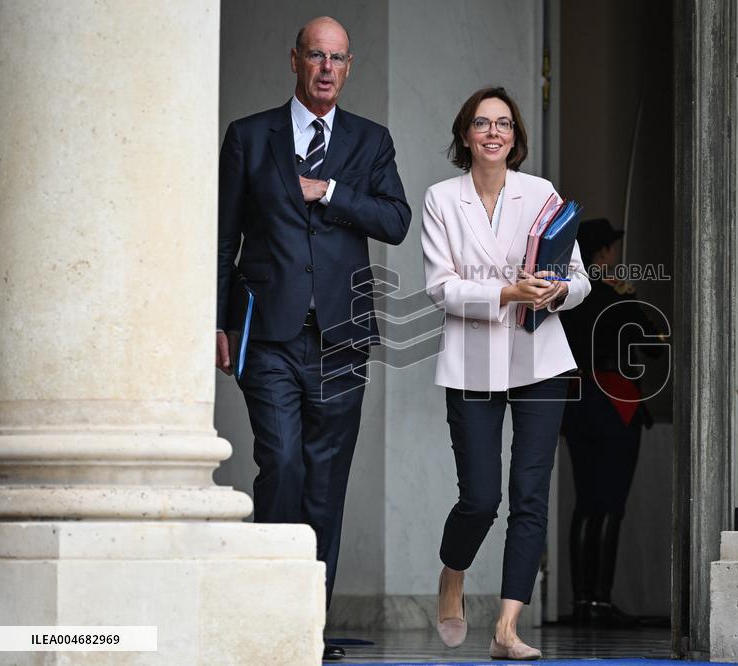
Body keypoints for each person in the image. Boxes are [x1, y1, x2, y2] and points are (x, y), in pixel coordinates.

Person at [215, 17, 411, 662]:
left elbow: (395, 220)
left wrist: (330, 190)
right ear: (294, 60)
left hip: (342, 338)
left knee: (326, 482)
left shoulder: (370, 141)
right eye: (315, 56)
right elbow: (222, 238)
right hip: (267, 334)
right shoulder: (248, 137)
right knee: (284, 463)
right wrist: (216, 321)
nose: (326, 68)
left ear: (348, 67)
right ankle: (268, 611)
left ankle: (307, 625)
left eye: (337, 59)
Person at [421, 87, 591, 660]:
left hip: (539, 359)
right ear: (465, 135)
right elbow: (441, 287)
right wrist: (506, 290)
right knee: (480, 498)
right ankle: (452, 575)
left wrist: (555, 290)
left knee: (530, 495)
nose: (493, 132)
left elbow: (580, 279)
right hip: (471, 361)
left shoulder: (540, 193)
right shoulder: (442, 198)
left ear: (515, 137)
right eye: (481, 123)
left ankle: (507, 628)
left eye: (503, 124)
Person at [559, 218, 664, 627]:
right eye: (612, 248)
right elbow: (653, 346)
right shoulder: (614, 297)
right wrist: (632, 298)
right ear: (603, 253)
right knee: (610, 505)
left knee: (586, 503)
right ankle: (600, 601)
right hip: (615, 402)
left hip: (578, 403)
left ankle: (583, 601)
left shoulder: (566, 297)